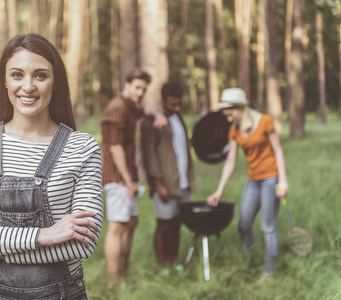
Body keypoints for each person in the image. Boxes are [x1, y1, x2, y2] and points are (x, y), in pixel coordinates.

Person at [0, 33, 103, 300]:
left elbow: (83, 243)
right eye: (17, 75)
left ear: (55, 84)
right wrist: (44, 236)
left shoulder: (82, 147)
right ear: (5, 81)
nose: (28, 86)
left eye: (40, 75)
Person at [207, 87, 288, 283]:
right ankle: (249, 263)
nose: (228, 119)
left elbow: (277, 150)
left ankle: (268, 273)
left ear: (241, 108)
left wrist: (283, 180)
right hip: (253, 181)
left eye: (230, 114)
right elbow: (231, 162)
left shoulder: (265, 122)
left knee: (268, 226)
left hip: (271, 178)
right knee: (243, 225)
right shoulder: (234, 130)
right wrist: (219, 190)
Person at [100, 69, 167, 283]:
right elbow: (115, 148)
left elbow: (142, 110)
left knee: (131, 222)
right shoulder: (117, 108)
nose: (140, 92)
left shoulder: (129, 107)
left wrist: (156, 114)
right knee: (117, 227)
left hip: (126, 178)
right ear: (126, 84)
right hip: (117, 178)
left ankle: (124, 273)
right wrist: (129, 182)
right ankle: (113, 283)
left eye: (143, 89)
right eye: (137, 87)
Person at [140, 81, 197, 273]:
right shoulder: (152, 121)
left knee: (177, 223)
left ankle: (174, 262)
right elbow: (149, 154)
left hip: (182, 182)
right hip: (164, 183)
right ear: (162, 100)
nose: (177, 107)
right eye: (173, 104)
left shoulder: (179, 118)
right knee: (164, 224)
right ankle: (162, 266)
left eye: (179, 103)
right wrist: (158, 183)